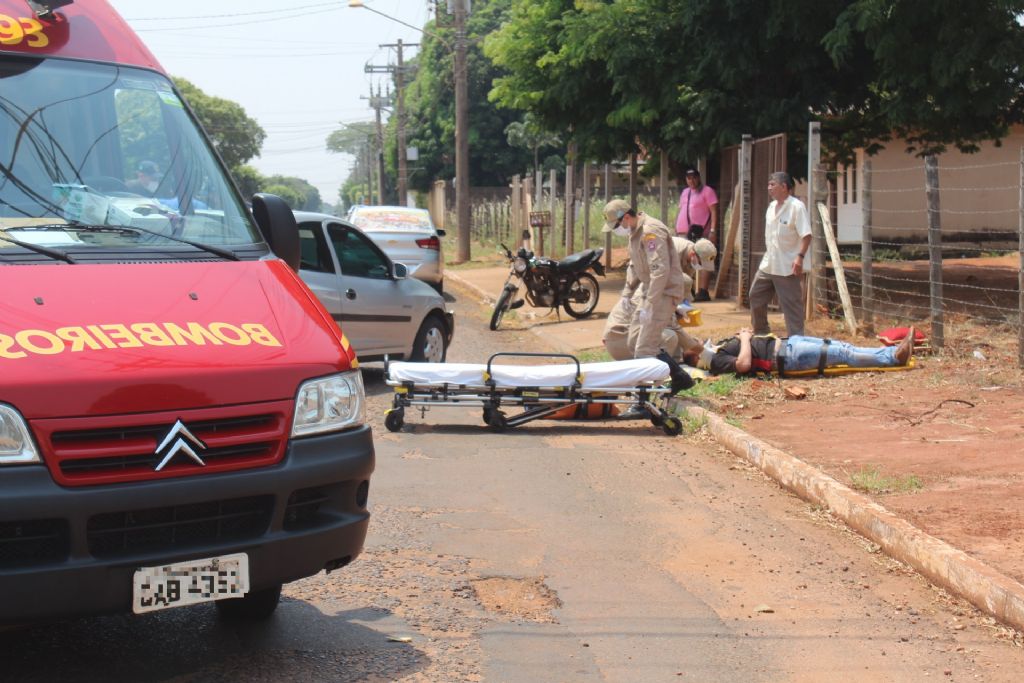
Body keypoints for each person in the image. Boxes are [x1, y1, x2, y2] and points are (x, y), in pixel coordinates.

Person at [602, 199, 687, 359]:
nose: (616, 230)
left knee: (644, 349)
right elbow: (635, 265)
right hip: (649, 291)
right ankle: (660, 373)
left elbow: (660, 270)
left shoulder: (650, 231)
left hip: (663, 293)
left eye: (616, 226)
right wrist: (627, 293)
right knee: (633, 342)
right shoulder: (634, 232)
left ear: (626, 217)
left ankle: (656, 381)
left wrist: (650, 303)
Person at [684, 327, 916, 377]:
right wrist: (745, 338)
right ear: (696, 357)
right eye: (694, 344)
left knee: (840, 347)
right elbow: (744, 364)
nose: (698, 341)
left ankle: (892, 352)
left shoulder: (716, 352)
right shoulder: (717, 361)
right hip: (787, 356)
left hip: (788, 344)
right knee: (842, 353)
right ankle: (892, 357)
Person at [750, 171, 812, 337]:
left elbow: (806, 235)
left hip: (788, 266)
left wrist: (800, 257)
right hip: (769, 263)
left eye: (773, 184)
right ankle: (761, 333)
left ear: (784, 187)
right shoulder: (771, 208)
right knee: (755, 295)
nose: (769, 188)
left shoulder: (796, 207)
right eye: (769, 184)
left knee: (791, 307)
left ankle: (797, 341)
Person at [674, 168, 718, 302]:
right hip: (683, 231)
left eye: (693, 177)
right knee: (686, 260)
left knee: (704, 259)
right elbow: (681, 209)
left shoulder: (707, 191)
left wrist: (713, 230)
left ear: (699, 178)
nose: (691, 181)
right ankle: (689, 288)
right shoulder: (685, 192)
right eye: (688, 178)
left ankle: (703, 290)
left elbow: (714, 211)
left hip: (701, 232)